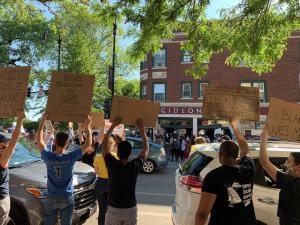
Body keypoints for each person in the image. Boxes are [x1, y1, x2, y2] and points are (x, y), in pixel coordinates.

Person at [195, 119, 256, 225]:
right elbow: (245, 148)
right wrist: (235, 127)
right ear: (236, 155)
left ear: (220, 155)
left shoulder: (213, 177)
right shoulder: (248, 168)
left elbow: (202, 214)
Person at [37, 114, 92, 225]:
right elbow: (88, 144)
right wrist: (88, 126)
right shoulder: (70, 157)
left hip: (51, 196)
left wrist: (42, 122)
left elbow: (39, 140)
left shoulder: (48, 157)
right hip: (67, 197)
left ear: (55, 142)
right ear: (66, 144)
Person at [102, 117, 149, 225]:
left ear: (117, 153)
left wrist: (112, 127)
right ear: (130, 154)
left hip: (114, 209)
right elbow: (146, 149)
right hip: (130, 210)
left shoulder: (112, 164)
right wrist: (142, 130)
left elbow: (104, 146)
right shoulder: (135, 166)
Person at [259, 127, 300, 225]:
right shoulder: (290, 180)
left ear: (298, 166)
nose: (285, 164)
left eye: (288, 161)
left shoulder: (290, 182)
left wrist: (263, 139)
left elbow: (264, 161)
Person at [0, 111, 25, 225]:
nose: (5, 146)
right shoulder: (2, 159)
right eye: (4, 144)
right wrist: (19, 121)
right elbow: (14, 139)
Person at [94, 132, 118, 225]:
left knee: (102, 210)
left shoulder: (98, 157)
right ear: (112, 145)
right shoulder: (116, 157)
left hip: (101, 183)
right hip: (112, 184)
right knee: (111, 210)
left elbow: (96, 172)